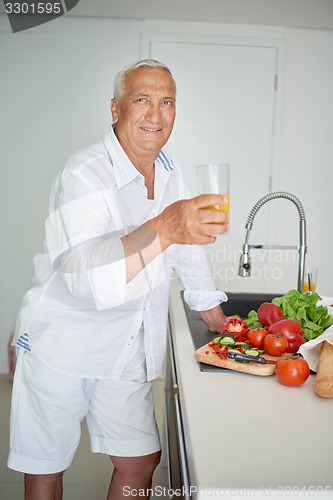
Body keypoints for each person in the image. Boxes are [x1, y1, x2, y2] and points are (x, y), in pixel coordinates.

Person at [8, 59, 229, 499]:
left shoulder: (169, 168)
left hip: (124, 346)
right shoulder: (83, 172)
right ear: (115, 109)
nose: (155, 113)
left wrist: (216, 316)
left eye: (166, 102)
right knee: (47, 468)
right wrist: (164, 226)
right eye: (142, 99)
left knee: (140, 461)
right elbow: (86, 280)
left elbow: (184, 246)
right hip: (61, 342)